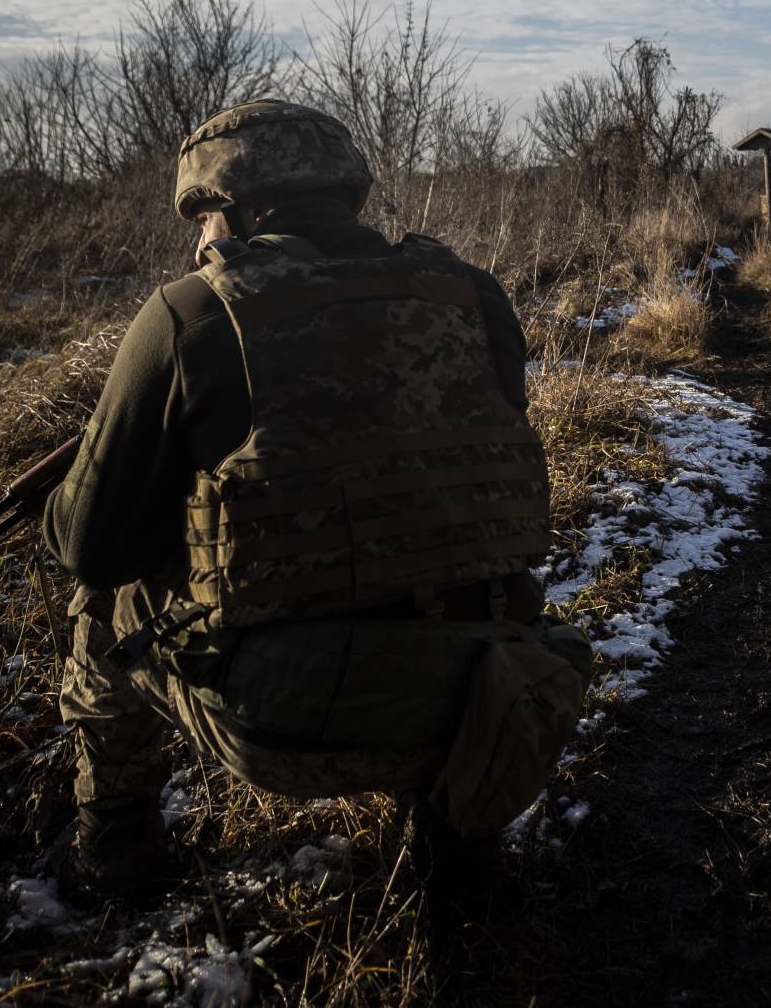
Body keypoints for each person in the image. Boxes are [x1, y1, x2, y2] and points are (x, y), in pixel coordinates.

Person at [41, 100, 583, 930]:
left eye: (200, 214)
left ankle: (116, 849)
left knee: (102, 610)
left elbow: (90, 545)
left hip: (289, 716)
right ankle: (461, 853)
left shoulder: (190, 312)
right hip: (493, 692)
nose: (198, 237)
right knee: (442, 561)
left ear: (231, 207)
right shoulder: (472, 294)